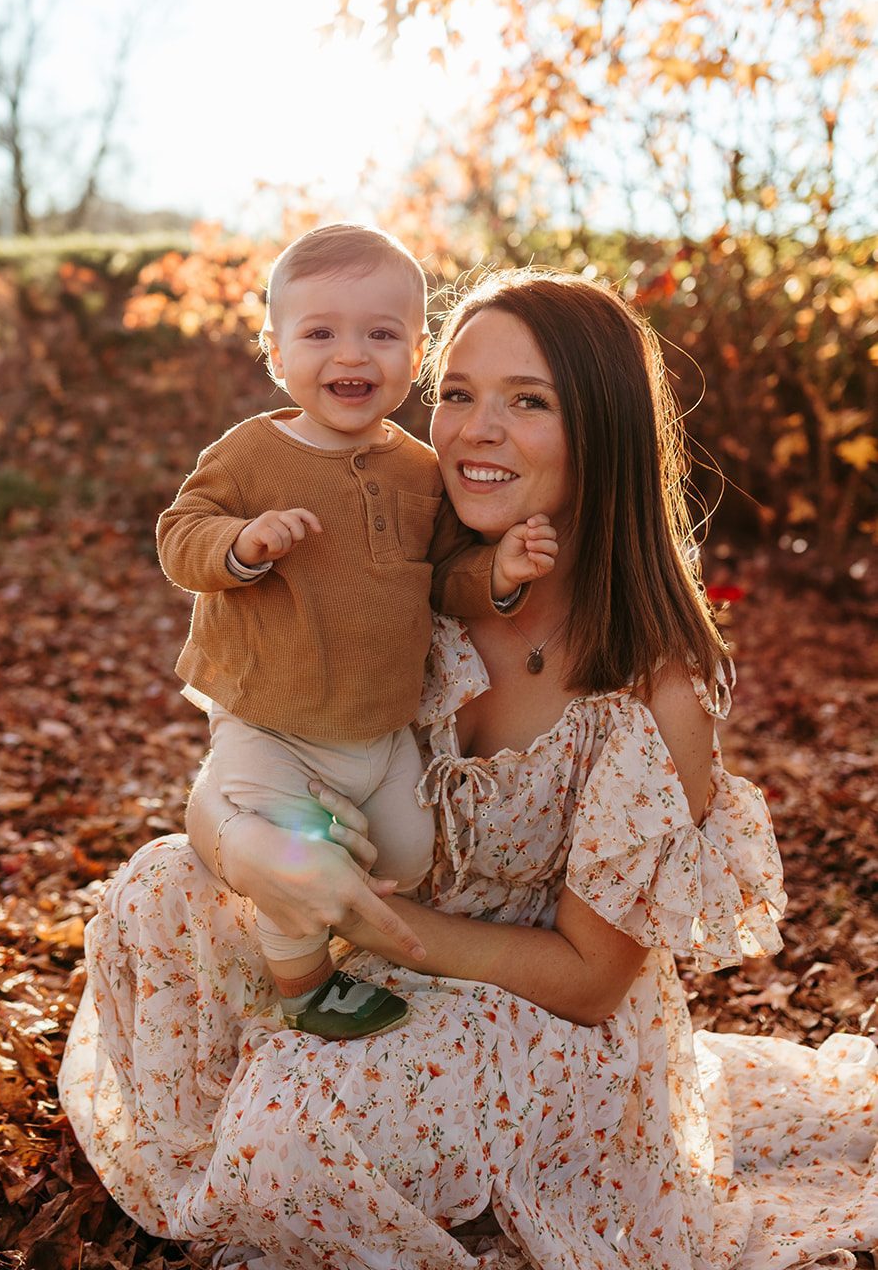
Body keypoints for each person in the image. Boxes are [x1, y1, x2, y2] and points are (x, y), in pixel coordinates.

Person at [59, 267, 878, 1270]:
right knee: (154, 888)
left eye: (526, 401)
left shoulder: (655, 691)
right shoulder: (412, 586)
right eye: (456, 393)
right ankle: (278, 1118)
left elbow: (590, 981)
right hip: (362, 944)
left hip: (536, 1016)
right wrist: (247, 847)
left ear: (603, 430)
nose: (472, 432)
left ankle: (328, 1132)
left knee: (286, 1136)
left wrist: (369, 920)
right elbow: (245, 755)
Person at [155, 224, 557, 1039]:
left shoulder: (418, 469)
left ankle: (344, 927)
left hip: (378, 726)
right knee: (297, 859)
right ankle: (303, 986)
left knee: (406, 855)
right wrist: (239, 545)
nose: (351, 354)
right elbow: (178, 534)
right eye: (319, 334)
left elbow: (442, 577)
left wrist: (499, 572)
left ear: (415, 356)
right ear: (275, 354)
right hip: (270, 720)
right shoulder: (250, 453)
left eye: (380, 334)